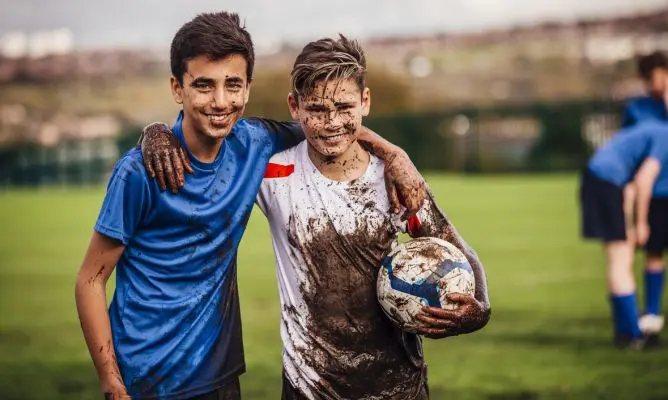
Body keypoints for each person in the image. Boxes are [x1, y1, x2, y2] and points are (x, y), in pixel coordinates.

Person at [74, 12, 426, 400]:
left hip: (220, 376)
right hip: (143, 377)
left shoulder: (254, 143)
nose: (220, 101)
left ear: (248, 87)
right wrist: (111, 381)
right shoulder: (140, 171)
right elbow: (90, 279)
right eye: (204, 85)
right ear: (178, 88)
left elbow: (332, 126)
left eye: (233, 85)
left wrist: (394, 154)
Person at [254, 35, 490, 398]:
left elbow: (461, 252)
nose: (332, 122)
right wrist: (156, 134)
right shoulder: (272, 174)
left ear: (365, 101)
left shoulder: (393, 178)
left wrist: (480, 311)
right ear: (295, 106)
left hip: (400, 386)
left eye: (345, 107)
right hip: (309, 388)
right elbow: (206, 144)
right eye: (316, 109)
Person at [580, 121, 668, 349]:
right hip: (604, 184)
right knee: (620, 259)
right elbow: (643, 180)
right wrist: (641, 224)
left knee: (621, 256)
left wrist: (628, 224)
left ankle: (624, 332)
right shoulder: (664, 136)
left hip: (601, 181)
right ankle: (634, 334)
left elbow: (628, 184)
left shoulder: (651, 130)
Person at [619, 51, 668, 343]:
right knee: (653, 251)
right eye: (646, 79)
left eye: (655, 76)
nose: (651, 84)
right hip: (656, 192)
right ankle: (651, 316)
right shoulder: (637, 109)